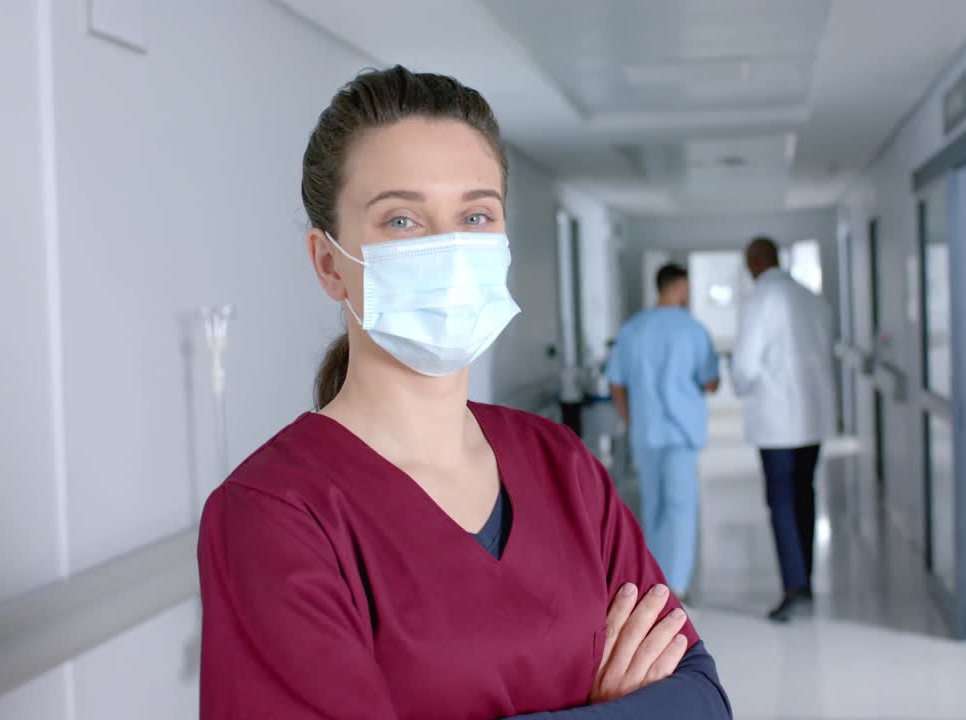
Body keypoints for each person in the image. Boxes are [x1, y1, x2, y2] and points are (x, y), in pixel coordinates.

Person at [195, 66, 731, 720]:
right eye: (401, 220)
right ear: (329, 263)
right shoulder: (274, 515)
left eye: (476, 215)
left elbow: (700, 697)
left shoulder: (558, 463)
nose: (449, 250)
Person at [731, 236, 835, 623]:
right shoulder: (811, 298)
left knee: (781, 502)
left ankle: (793, 587)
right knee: (804, 495)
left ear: (755, 262)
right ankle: (803, 579)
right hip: (812, 418)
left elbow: (744, 366)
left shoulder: (760, 299)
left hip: (776, 421)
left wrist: (742, 388)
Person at [605, 263, 720, 596]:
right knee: (681, 508)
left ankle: (655, 583)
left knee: (652, 505)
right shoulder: (692, 330)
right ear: (680, 286)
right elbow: (710, 381)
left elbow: (616, 382)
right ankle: (678, 585)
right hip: (681, 434)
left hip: (647, 430)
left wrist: (630, 420)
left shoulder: (633, 330)